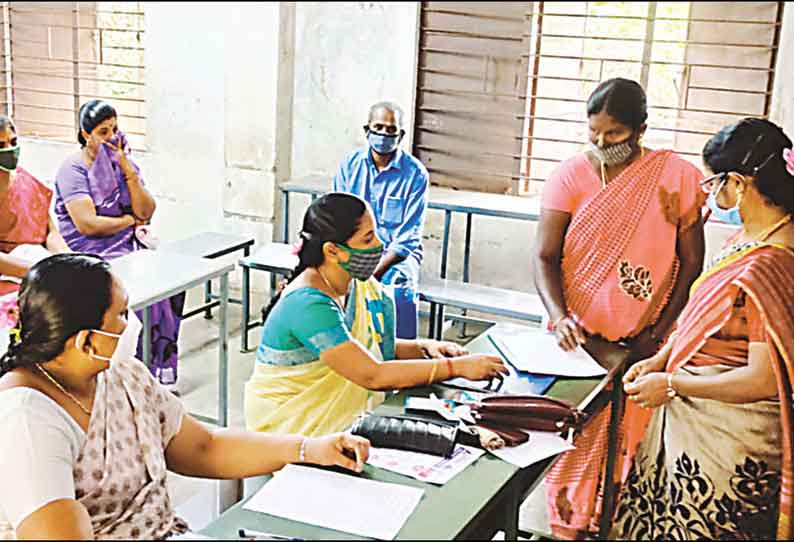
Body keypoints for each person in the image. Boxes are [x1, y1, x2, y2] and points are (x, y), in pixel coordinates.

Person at [0, 253, 370, 540]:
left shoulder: (121, 374)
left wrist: (308, 448)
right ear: (86, 341)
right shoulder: (26, 421)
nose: (133, 324)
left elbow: (204, 447)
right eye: (122, 314)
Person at [533, 78, 706, 538]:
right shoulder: (570, 176)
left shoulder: (675, 177)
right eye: (593, 132)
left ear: (641, 129)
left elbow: (691, 263)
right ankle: (568, 526)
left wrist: (660, 332)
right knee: (571, 440)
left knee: (628, 445)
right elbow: (545, 258)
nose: (601, 143)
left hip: (644, 343)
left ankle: (613, 526)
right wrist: (562, 315)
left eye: (614, 134)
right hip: (579, 343)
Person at [612, 118, 794, 541]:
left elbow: (764, 378)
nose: (712, 194)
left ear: (739, 183)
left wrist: (673, 384)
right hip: (693, 414)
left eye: (714, 183)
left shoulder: (773, 263)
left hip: (728, 438)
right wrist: (661, 358)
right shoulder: (746, 237)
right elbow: (704, 319)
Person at [244, 192, 507, 437]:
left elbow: (368, 346)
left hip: (336, 426)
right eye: (368, 239)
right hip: (292, 430)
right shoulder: (307, 305)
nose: (380, 245)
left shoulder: (355, 282)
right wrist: (455, 368)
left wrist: (425, 348)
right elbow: (371, 374)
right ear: (333, 251)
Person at [54, 100, 184, 391]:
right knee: (128, 297)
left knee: (169, 287)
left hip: (127, 246)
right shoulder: (73, 169)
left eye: (115, 129)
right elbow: (87, 223)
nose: (112, 137)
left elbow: (147, 211)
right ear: (86, 134)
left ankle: (155, 370)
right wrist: (128, 221)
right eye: (103, 131)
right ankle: (125, 376)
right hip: (92, 251)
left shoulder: (121, 163)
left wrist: (127, 170)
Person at [333, 101, 428, 339]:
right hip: (355, 250)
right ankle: (346, 350)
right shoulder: (349, 166)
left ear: (401, 135)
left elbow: (408, 238)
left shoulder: (416, 174)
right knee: (327, 284)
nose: (384, 134)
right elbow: (336, 219)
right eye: (378, 127)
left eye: (391, 130)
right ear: (367, 130)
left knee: (400, 289)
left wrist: (373, 271)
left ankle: (402, 358)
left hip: (395, 256)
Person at [0, 115, 69, 297]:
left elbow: (51, 232)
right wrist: (38, 271)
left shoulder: (26, 180)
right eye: (1, 146)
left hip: (40, 265)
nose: (9, 149)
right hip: (10, 278)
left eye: (13, 141)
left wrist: (67, 258)